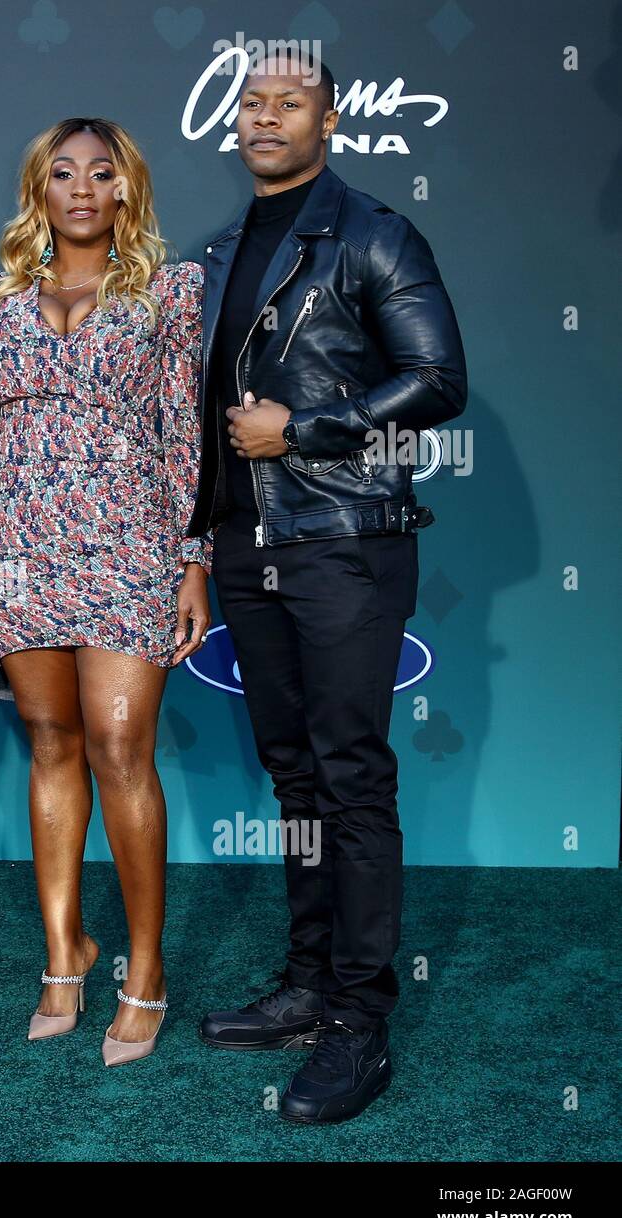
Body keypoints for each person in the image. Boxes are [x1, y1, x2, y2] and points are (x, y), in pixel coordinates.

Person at [191, 53, 466, 1121]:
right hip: (246, 547)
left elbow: (439, 379)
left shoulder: (372, 232)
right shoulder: (217, 252)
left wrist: (306, 427)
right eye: (252, 103)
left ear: (329, 119)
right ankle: (308, 982)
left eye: (287, 103)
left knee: (348, 777)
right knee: (294, 778)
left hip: (343, 537)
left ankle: (359, 1019)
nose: (265, 117)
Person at [0, 118, 211, 1067]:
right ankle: (65, 956)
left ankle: (146, 971)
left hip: (128, 541)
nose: (84, 187)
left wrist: (194, 556)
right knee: (51, 742)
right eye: (63, 172)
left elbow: (187, 433)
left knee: (118, 746)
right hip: (15, 540)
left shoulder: (168, 290)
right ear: (39, 190)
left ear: (127, 190)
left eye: (103, 173)